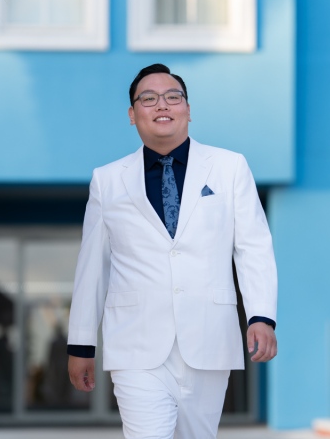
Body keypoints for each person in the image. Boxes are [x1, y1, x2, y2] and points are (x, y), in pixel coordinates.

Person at [67, 63, 278, 439]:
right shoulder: (108, 180)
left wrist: (262, 315)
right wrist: (81, 342)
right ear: (132, 115)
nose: (161, 104)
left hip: (209, 338)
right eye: (148, 99)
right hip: (135, 343)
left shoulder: (230, 168)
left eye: (172, 97)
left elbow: (253, 246)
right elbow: (92, 268)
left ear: (188, 109)